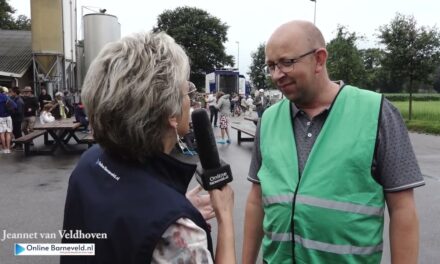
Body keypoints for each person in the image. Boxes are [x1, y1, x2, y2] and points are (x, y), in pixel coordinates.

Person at [242, 20, 425, 264]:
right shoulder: (269, 120)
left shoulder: (376, 112)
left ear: (319, 59)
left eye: (286, 62)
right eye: (271, 66)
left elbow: (402, 209)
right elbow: (257, 198)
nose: (276, 75)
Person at [61, 31, 235, 264]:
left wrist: (177, 205)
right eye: (187, 93)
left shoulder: (90, 162)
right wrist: (225, 219)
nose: (190, 101)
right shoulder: (180, 234)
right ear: (171, 114)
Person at [0, 86, 16, 154]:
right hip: (8, 117)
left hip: (0, 117)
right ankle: (8, 149)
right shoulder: (7, 97)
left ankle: (4, 148)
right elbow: (15, 106)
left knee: (2, 133)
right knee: (8, 133)